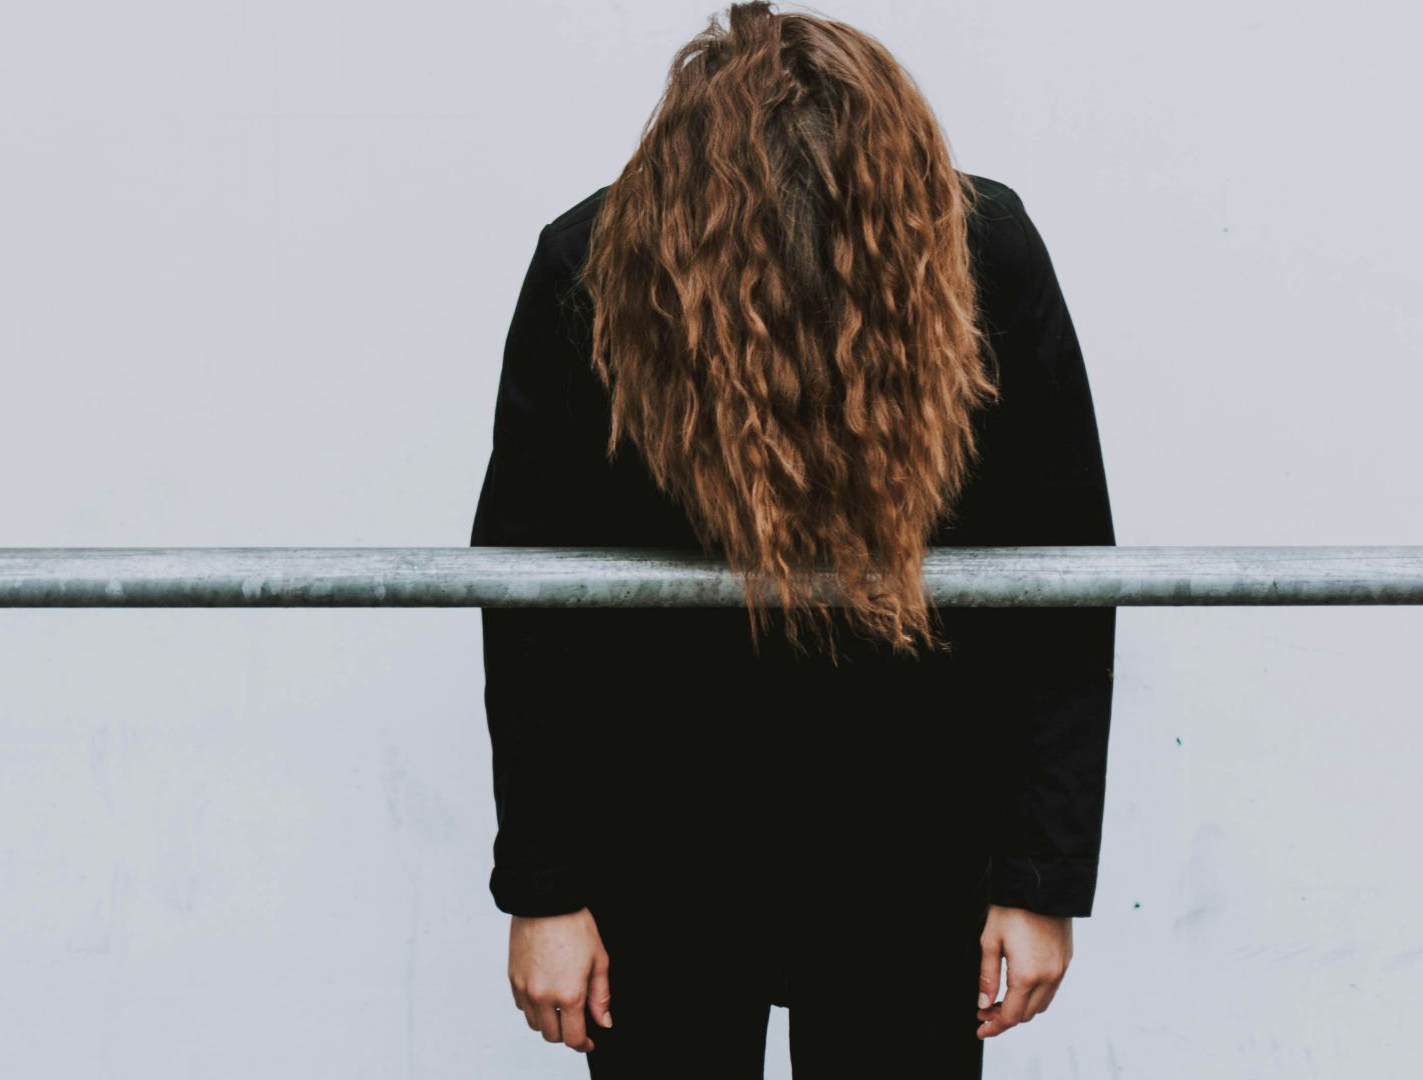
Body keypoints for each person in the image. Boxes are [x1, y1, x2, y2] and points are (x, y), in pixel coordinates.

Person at [468, 3, 1116, 1076]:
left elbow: (1060, 579)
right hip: (662, 819)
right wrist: (547, 891)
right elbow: (531, 605)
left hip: (911, 815)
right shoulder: (594, 265)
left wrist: (1039, 880)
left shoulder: (977, 251)